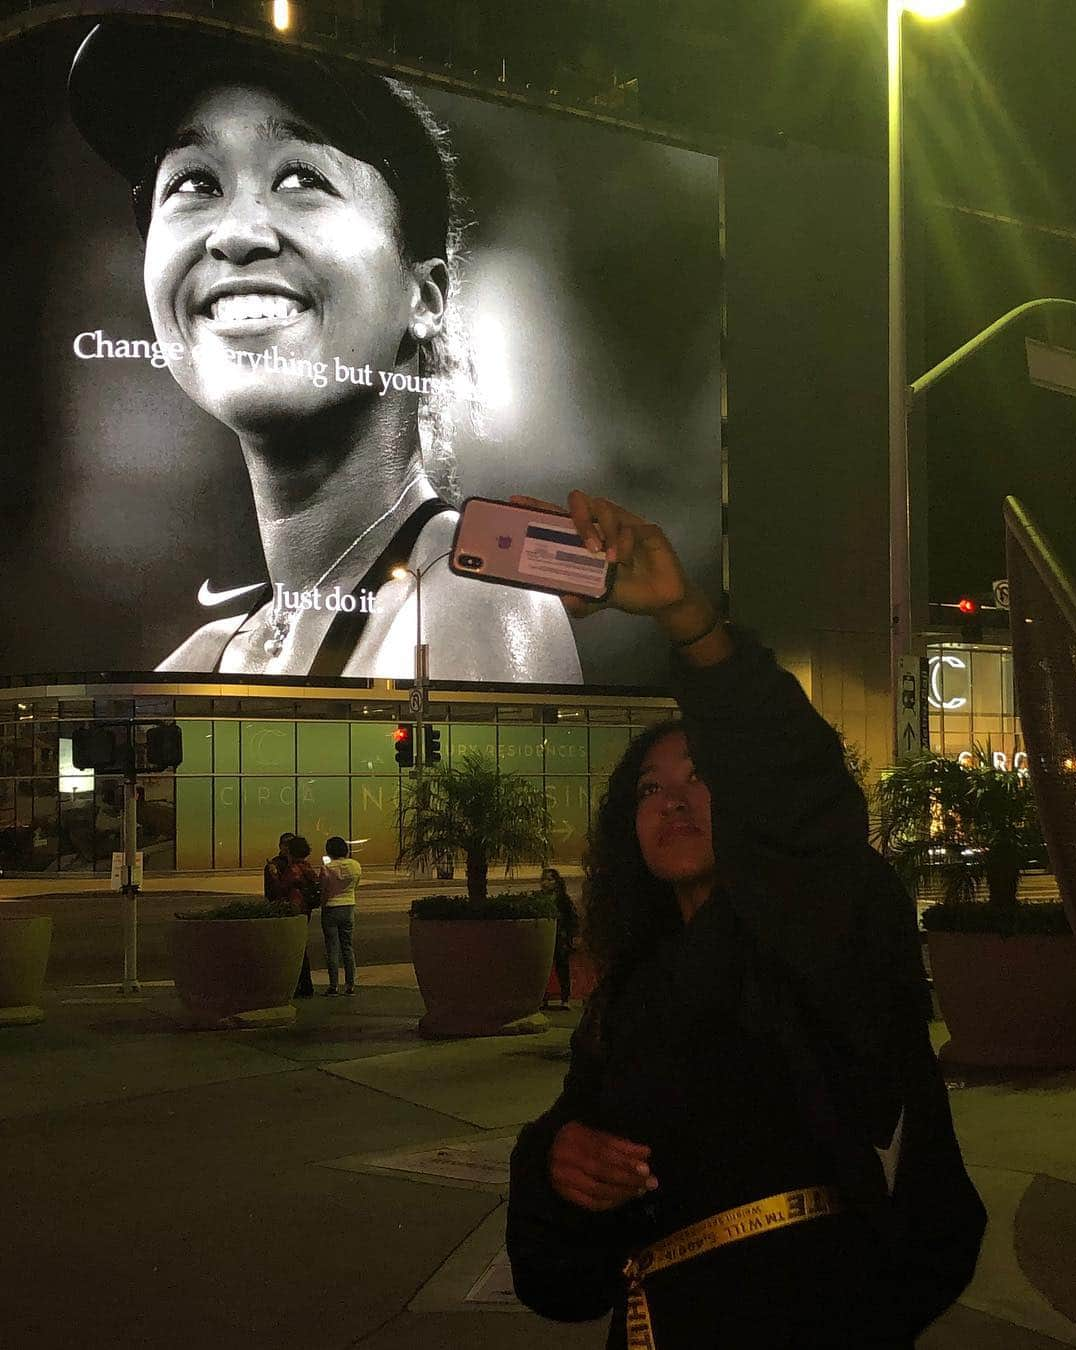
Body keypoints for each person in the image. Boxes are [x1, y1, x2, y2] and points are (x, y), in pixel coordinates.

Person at [506, 491, 986, 1349]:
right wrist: (556, 1162)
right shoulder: (632, 989)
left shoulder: (818, 926)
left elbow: (797, 796)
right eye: (648, 790)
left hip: (810, 1316)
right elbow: (574, 1169)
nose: (671, 801)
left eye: (699, 778)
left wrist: (692, 625)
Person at [66, 19, 582, 683]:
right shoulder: (200, 661)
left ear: (422, 299)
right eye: (193, 183)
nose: (237, 235)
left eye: (300, 177)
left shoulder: (476, 601)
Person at [267, 834, 320, 998]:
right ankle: (306, 985)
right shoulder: (307, 867)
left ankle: (300, 986)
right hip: (305, 910)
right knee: (301, 947)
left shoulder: (293, 869)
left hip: (295, 909)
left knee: (295, 949)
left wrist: (274, 874)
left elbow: (280, 889)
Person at [320, 835, 362, 997]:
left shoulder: (327, 868)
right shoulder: (356, 866)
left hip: (331, 907)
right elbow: (355, 885)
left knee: (332, 948)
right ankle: (350, 984)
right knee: (348, 947)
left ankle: (333, 986)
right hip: (349, 906)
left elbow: (323, 890)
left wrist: (323, 904)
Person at [539, 867, 579, 1010]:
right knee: (542, 969)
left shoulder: (563, 899)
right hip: (544, 937)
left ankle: (565, 998)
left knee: (562, 968)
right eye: (544, 879)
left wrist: (571, 936)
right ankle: (542, 999)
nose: (546, 883)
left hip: (560, 938)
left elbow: (572, 919)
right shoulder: (538, 900)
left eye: (549, 879)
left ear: (556, 882)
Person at [263, 830, 295, 903]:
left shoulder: (300, 863)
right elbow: (271, 891)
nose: (288, 848)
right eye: (286, 845)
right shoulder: (275, 864)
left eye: (291, 845)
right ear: (280, 846)